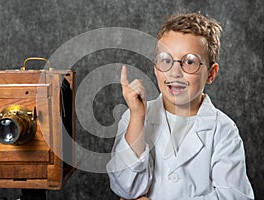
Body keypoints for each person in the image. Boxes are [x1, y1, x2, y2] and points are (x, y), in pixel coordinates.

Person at [107, 12, 254, 200]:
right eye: (166, 60)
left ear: (211, 73)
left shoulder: (223, 130)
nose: (175, 73)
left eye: (190, 62)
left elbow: (234, 197)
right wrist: (137, 117)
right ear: (155, 67)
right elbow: (126, 189)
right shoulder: (133, 117)